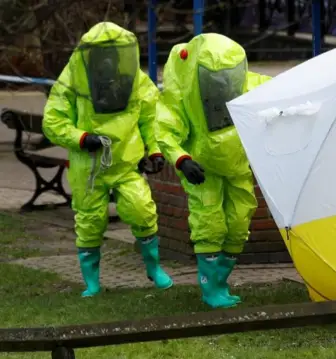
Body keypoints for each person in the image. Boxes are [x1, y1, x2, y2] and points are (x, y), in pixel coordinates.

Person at [42, 22, 173, 297]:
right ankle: (92, 282)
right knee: (90, 221)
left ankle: (154, 268)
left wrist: (156, 150)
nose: (109, 61)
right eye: (103, 55)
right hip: (88, 166)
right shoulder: (72, 79)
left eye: (114, 54)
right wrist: (80, 137)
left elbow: (152, 118)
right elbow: (53, 121)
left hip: (126, 162)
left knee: (141, 210)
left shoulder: (135, 79)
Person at [155, 33, 271, 309]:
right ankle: (210, 289)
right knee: (210, 223)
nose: (222, 84)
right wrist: (182, 159)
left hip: (237, 166)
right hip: (203, 169)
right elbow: (165, 130)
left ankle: (219, 281)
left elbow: (278, 93)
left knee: (240, 220)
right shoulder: (184, 93)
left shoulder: (246, 83)